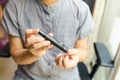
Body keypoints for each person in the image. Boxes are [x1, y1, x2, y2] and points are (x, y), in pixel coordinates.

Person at [2, 0, 94, 80]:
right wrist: (32, 54)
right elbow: (16, 55)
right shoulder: (14, 6)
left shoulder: (81, 9)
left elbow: (82, 50)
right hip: (27, 76)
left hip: (67, 76)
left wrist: (76, 57)